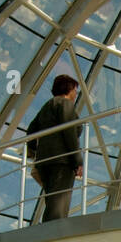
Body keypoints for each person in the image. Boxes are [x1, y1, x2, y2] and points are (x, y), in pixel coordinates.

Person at [27, 74, 83, 222]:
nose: (76, 94)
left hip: (45, 161)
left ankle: (49, 232)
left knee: (52, 201)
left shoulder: (47, 106)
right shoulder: (65, 104)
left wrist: (34, 150)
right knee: (58, 205)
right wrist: (77, 160)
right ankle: (51, 236)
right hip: (62, 162)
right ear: (69, 89)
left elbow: (31, 131)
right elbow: (69, 132)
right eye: (75, 90)